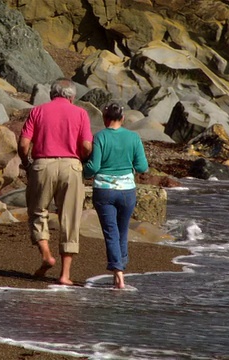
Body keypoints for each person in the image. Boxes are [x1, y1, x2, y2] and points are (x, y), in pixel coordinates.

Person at [18, 78, 93, 285]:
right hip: (71, 166)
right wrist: (81, 159)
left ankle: (46, 254)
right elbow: (87, 146)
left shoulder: (38, 111)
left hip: (42, 164)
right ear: (72, 96)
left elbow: (24, 144)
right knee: (70, 218)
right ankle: (65, 275)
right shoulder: (80, 113)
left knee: (37, 211)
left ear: (52, 94)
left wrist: (27, 163)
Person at [84, 102, 148, 289]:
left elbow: (94, 167)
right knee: (122, 231)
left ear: (105, 118)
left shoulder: (100, 137)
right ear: (123, 118)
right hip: (127, 191)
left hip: (104, 190)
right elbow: (143, 167)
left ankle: (118, 273)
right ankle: (120, 270)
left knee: (111, 232)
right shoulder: (133, 137)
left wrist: (83, 172)